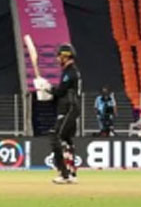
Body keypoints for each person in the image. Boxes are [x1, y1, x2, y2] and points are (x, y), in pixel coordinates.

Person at [35, 43, 81, 184]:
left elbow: (60, 92)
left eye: (59, 55)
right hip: (70, 107)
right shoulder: (71, 71)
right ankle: (71, 173)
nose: (57, 59)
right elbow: (61, 93)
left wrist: (47, 87)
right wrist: (47, 89)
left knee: (56, 136)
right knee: (66, 139)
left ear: (66, 56)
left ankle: (64, 173)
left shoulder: (70, 72)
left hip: (69, 108)